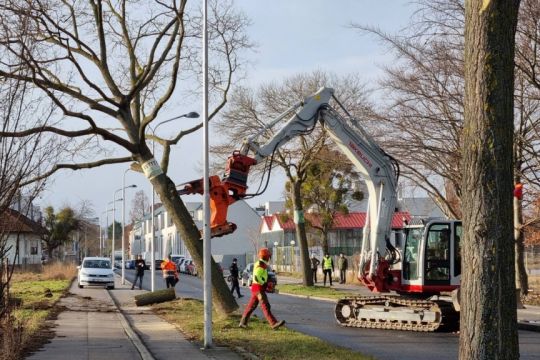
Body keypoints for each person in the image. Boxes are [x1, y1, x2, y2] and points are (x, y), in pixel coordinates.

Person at [239, 248, 285, 330]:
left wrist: (265, 284)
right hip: (258, 289)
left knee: (251, 306)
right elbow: (257, 277)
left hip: (256, 288)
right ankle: (273, 323)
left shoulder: (260, 263)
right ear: (266, 256)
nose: (269, 258)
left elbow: (258, 277)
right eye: (269, 256)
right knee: (265, 305)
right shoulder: (261, 264)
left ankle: (242, 323)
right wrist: (265, 283)